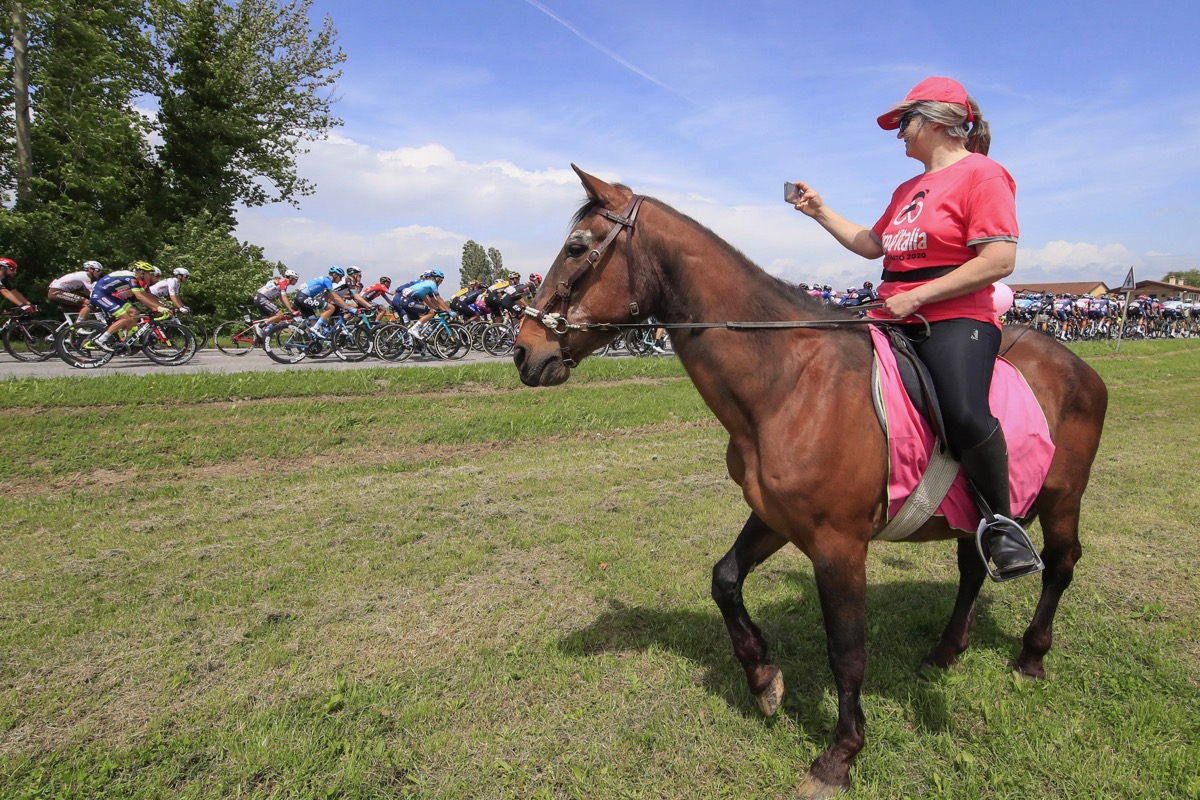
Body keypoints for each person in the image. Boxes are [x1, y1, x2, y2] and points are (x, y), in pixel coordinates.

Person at [787, 76, 1041, 581]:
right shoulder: (908, 188)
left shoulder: (985, 176)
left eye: (904, 122)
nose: (899, 133)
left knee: (966, 413)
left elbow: (999, 258)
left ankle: (1002, 525)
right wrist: (818, 212)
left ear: (935, 121)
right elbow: (871, 244)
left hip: (955, 315)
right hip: (891, 309)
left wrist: (920, 295)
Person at [85, 261, 169, 352]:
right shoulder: (131, 278)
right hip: (99, 295)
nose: (151, 276)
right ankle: (100, 340)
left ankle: (125, 338)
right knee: (125, 318)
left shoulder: (135, 279)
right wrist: (159, 308)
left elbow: (146, 295)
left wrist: (161, 306)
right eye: (149, 273)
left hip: (108, 295)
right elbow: (139, 297)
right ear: (142, 272)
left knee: (134, 312)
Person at [295, 266, 359, 338]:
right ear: (335, 275)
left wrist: (345, 306)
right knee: (331, 307)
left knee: (313, 321)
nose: (341, 280)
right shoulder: (327, 280)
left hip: (301, 297)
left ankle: (312, 343)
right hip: (303, 297)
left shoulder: (325, 281)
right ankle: (315, 328)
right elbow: (335, 297)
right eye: (340, 277)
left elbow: (333, 297)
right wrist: (348, 308)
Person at [400, 270, 453, 337]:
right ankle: (414, 329)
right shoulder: (432, 284)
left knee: (417, 319)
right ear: (437, 279)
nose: (441, 282)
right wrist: (449, 311)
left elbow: (431, 300)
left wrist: (437, 309)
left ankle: (411, 341)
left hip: (404, 300)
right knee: (431, 312)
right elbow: (439, 299)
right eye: (441, 280)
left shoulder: (426, 285)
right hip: (408, 300)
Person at [252, 269, 301, 336]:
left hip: (259, 298)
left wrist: (289, 308)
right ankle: (259, 326)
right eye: (296, 279)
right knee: (280, 315)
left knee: (270, 321)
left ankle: (260, 340)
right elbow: (284, 297)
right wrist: (291, 310)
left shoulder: (282, 283)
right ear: (290, 278)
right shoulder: (283, 282)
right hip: (262, 298)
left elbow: (281, 299)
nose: (296, 281)